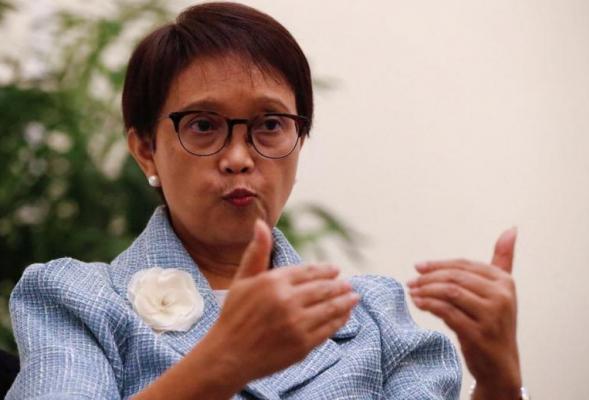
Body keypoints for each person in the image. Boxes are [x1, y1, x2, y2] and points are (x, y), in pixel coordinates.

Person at [7, 2, 524, 399]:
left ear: (299, 140)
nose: (238, 157)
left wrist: (498, 381)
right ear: (146, 150)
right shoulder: (76, 299)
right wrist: (221, 363)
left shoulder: (374, 315)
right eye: (203, 125)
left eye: (270, 125)